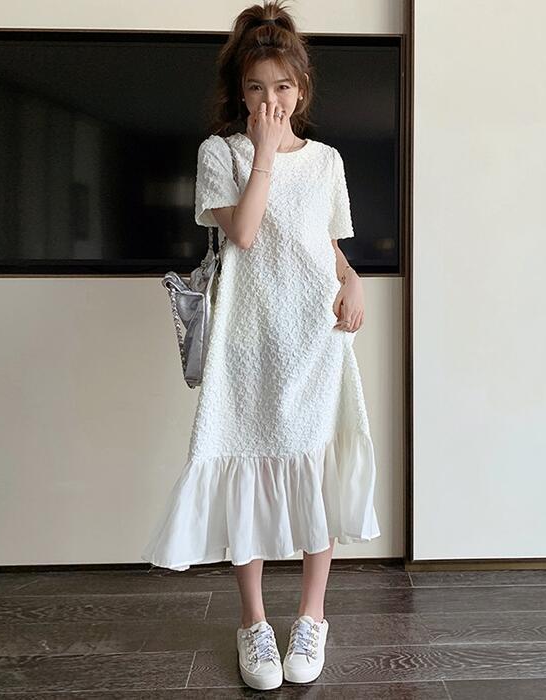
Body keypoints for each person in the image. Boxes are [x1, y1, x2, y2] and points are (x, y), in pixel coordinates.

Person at [141, 0, 380, 690]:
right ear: (239, 93)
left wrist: (353, 279)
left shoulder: (328, 161)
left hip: (315, 338)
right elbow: (244, 233)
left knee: (314, 470)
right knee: (242, 465)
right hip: (246, 341)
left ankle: (311, 617)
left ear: (300, 89)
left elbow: (322, 243)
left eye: (281, 86)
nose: (270, 99)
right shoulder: (220, 153)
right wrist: (266, 155)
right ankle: (253, 624)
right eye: (255, 87)